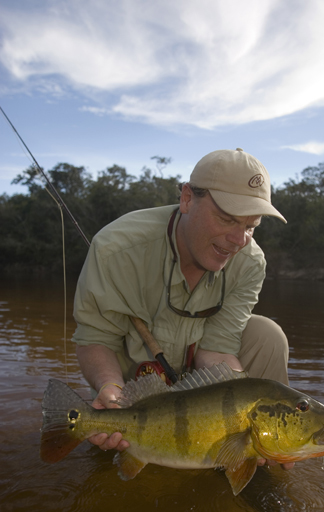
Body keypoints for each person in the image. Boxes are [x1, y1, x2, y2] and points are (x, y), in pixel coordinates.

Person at [72, 148, 294, 469]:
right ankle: (120, 428)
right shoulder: (116, 247)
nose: (238, 240)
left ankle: (267, 462)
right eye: (227, 219)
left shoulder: (250, 262)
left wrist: (243, 422)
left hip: (199, 383)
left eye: (251, 226)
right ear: (187, 198)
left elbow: (218, 350)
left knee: (267, 335)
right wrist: (111, 389)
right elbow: (95, 339)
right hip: (135, 385)